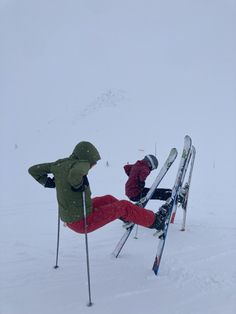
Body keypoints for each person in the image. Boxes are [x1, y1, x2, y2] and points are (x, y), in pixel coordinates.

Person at [28, 141, 171, 234]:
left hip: (77, 212)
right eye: (93, 163)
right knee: (124, 206)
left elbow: (33, 170)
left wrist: (48, 183)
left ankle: (128, 218)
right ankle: (156, 221)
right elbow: (75, 174)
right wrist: (77, 184)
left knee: (108, 199)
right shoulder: (81, 165)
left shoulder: (60, 164)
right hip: (81, 221)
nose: (93, 166)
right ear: (85, 159)